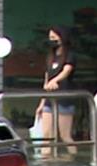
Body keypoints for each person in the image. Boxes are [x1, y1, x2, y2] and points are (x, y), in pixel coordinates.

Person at [33, 26, 77, 157]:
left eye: (54, 37)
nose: (51, 40)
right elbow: (46, 81)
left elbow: (66, 71)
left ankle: (73, 158)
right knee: (47, 135)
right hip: (49, 100)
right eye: (50, 38)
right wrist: (41, 103)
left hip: (64, 98)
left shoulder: (70, 55)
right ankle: (46, 159)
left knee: (65, 135)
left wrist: (55, 81)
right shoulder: (50, 57)